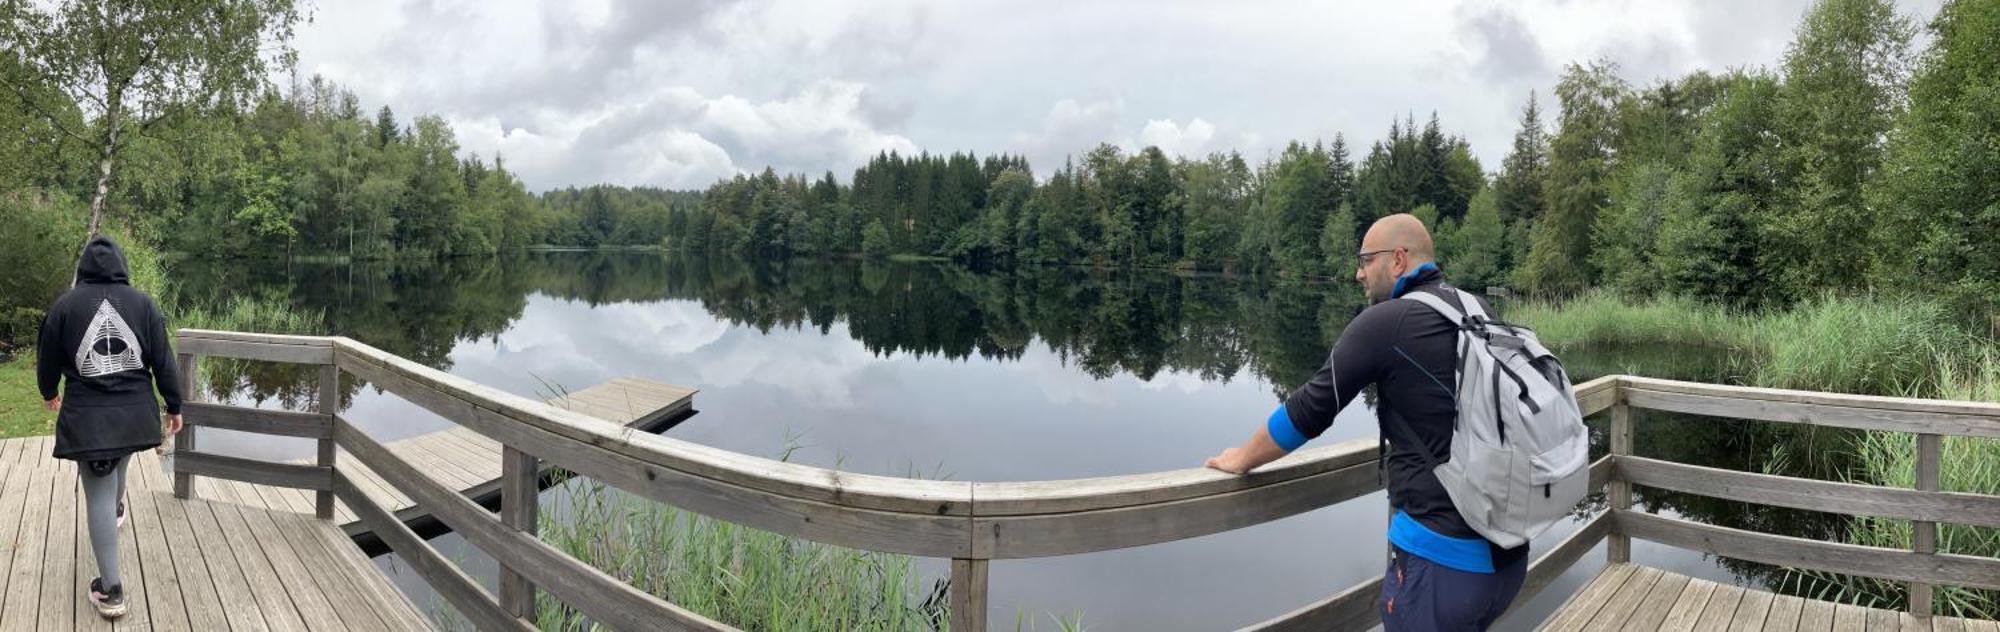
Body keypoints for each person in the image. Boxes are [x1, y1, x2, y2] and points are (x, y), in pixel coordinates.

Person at [1203, 213, 1525, 630]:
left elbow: (1309, 409)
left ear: (1396, 260)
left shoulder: (1385, 323)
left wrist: (1242, 458)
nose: (1358, 274)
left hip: (1441, 565)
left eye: (1365, 260)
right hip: (1506, 559)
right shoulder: (1477, 309)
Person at [36, 235, 184, 619]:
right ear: (121, 265)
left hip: (90, 418)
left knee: (98, 493)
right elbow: (164, 361)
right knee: (117, 456)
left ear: (84, 267)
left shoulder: (65, 306)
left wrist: (48, 390)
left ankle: (111, 591)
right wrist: (174, 405)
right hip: (135, 414)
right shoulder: (143, 304)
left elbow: (47, 355)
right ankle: (117, 509)